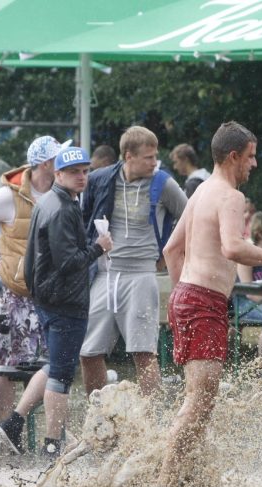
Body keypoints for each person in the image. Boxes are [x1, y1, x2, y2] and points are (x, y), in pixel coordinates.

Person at [160, 121, 262, 487]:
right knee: (200, 398)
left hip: (189, 297)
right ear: (233, 156)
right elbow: (233, 249)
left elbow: (171, 250)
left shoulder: (202, 191)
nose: (254, 164)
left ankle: (184, 474)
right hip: (201, 301)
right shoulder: (230, 196)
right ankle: (165, 482)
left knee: (200, 399)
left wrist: (180, 294)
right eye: (251, 157)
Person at [0, 147, 113, 457]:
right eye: (74, 172)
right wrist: (99, 247)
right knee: (61, 373)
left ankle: (14, 424)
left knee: (56, 365)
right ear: (57, 174)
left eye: (85, 171)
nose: (82, 176)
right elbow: (68, 261)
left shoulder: (52, 201)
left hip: (48, 297)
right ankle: (52, 445)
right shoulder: (60, 208)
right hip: (63, 300)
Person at [80, 126, 188, 397]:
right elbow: (84, 220)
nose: (155, 162)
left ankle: (149, 424)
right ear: (128, 156)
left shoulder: (163, 183)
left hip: (142, 274)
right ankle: (102, 417)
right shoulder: (100, 179)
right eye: (149, 157)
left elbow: (190, 218)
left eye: (156, 156)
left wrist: (169, 252)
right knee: (88, 352)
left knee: (144, 352)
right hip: (106, 273)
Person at [0, 136, 60, 423]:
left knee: (54, 364)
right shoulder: (8, 195)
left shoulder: (62, 191)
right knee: (9, 364)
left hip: (52, 293)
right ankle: (3, 426)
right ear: (46, 163)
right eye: (58, 157)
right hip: (18, 293)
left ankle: (42, 428)